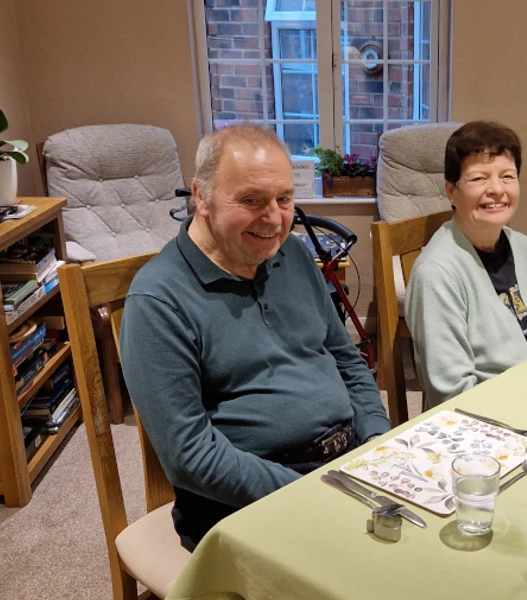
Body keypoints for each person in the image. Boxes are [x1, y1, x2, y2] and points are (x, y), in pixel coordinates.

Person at [119, 124, 391, 551]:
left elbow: (347, 360)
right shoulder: (157, 300)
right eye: (251, 200)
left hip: (345, 463)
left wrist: (378, 443)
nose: (274, 218)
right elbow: (191, 457)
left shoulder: (295, 255)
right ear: (201, 197)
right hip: (245, 499)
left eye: (284, 199)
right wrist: (312, 493)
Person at [405, 121, 527, 409]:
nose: (496, 189)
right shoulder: (436, 274)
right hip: (496, 421)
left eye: (507, 176)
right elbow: (452, 393)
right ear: (451, 191)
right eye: (478, 178)